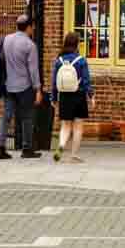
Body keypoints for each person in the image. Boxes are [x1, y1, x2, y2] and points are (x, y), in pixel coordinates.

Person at [0, 13, 42, 159]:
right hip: (25, 86)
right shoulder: (30, 45)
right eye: (32, 27)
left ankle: (0, 147)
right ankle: (27, 148)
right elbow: (33, 70)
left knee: (6, 117)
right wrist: (38, 89)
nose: (33, 29)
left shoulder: (6, 39)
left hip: (9, 85)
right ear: (28, 27)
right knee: (27, 117)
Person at [52, 31, 93, 163]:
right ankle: (74, 155)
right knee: (78, 127)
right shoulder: (81, 61)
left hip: (64, 96)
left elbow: (54, 82)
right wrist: (91, 96)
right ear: (77, 45)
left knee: (65, 125)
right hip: (79, 96)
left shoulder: (59, 61)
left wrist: (54, 98)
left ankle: (61, 146)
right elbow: (86, 81)